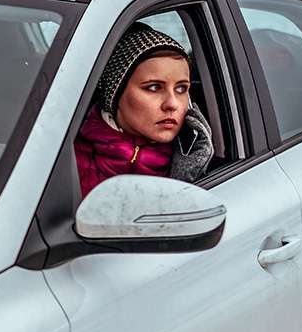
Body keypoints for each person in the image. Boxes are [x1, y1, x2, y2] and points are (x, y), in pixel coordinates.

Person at [75, 22, 214, 199]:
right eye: (154, 87)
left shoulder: (197, 155)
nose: (172, 104)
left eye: (181, 89)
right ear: (115, 93)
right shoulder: (65, 159)